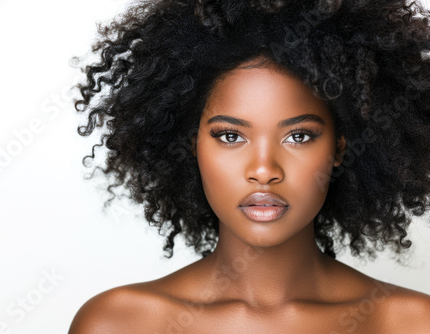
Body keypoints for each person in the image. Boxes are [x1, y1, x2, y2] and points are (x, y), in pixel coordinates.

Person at [69, 0, 430, 332]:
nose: (263, 170)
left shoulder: (409, 323)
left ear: (339, 149)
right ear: (190, 143)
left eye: (299, 136)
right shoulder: (119, 324)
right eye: (230, 137)